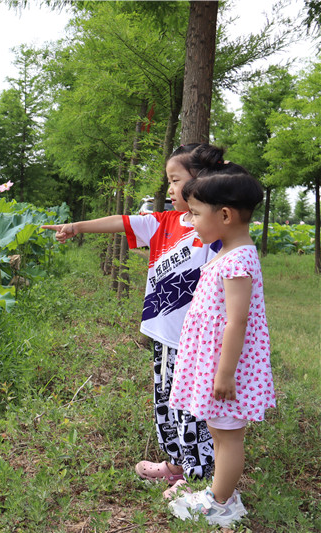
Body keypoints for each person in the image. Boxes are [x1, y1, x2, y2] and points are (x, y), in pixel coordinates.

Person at [42, 144, 224, 496]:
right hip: (163, 336)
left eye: (175, 180)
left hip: (196, 341)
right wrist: (76, 227)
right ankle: (175, 463)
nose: (169, 190)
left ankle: (197, 474)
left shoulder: (214, 230)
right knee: (164, 401)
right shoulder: (164, 222)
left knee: (191, 408)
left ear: (200, 181)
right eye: (168, 182)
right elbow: (121, 221)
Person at [167, 164, 276, 527]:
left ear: (225, 215)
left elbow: (238, 320)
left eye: (196, 214)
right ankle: (219, 492)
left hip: (228, 367)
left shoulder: (238, 259)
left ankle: (221, 503)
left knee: (228, 437)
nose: (191, 221)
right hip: (217, 362)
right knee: (219, 432)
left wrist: (225, 373)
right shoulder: (227, 251)